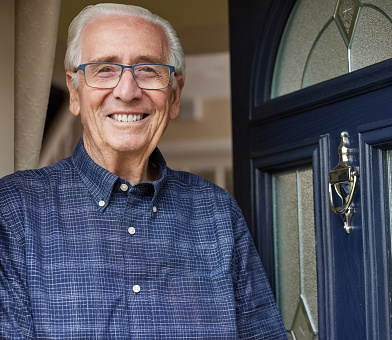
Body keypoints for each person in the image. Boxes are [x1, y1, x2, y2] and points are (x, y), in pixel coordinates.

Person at [0, 3, 287, 339]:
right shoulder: (13, 209)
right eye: (104, 69)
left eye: (148, 70)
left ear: (175, 95)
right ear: (75, 92)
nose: (127, 91)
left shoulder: (219, 212)